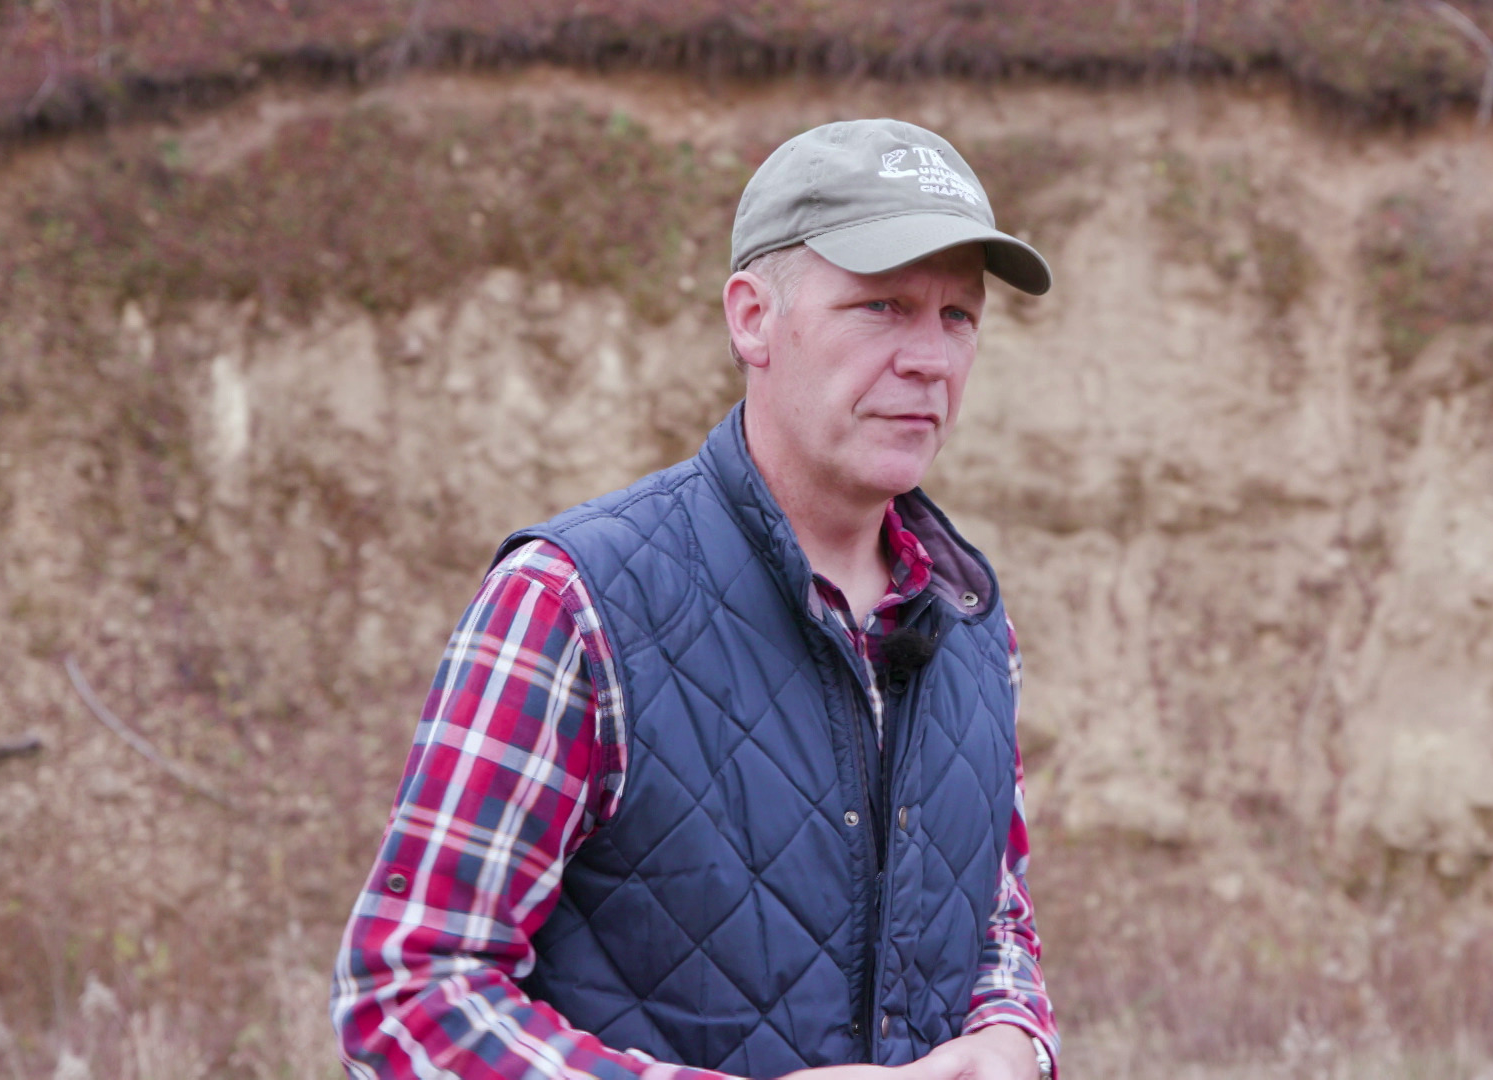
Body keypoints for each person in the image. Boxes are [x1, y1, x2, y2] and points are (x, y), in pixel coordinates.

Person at [330, 118, 1058, 1080]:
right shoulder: (572, 606)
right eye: (882, 307)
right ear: (752, 318)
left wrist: (1012, 1044)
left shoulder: (969, 623)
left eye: (957, 315)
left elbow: (995, 923)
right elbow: (407, 998)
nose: (930, 357)